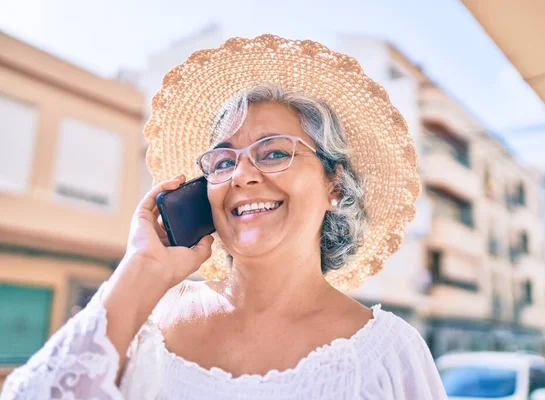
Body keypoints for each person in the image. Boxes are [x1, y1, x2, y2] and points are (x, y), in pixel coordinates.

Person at [1, 35, 447, 400]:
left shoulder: (388, 354)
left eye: (273, 152)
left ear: (334, 184)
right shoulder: (145, 317)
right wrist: (142, 268)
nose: (243, 175)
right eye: (222, 161)